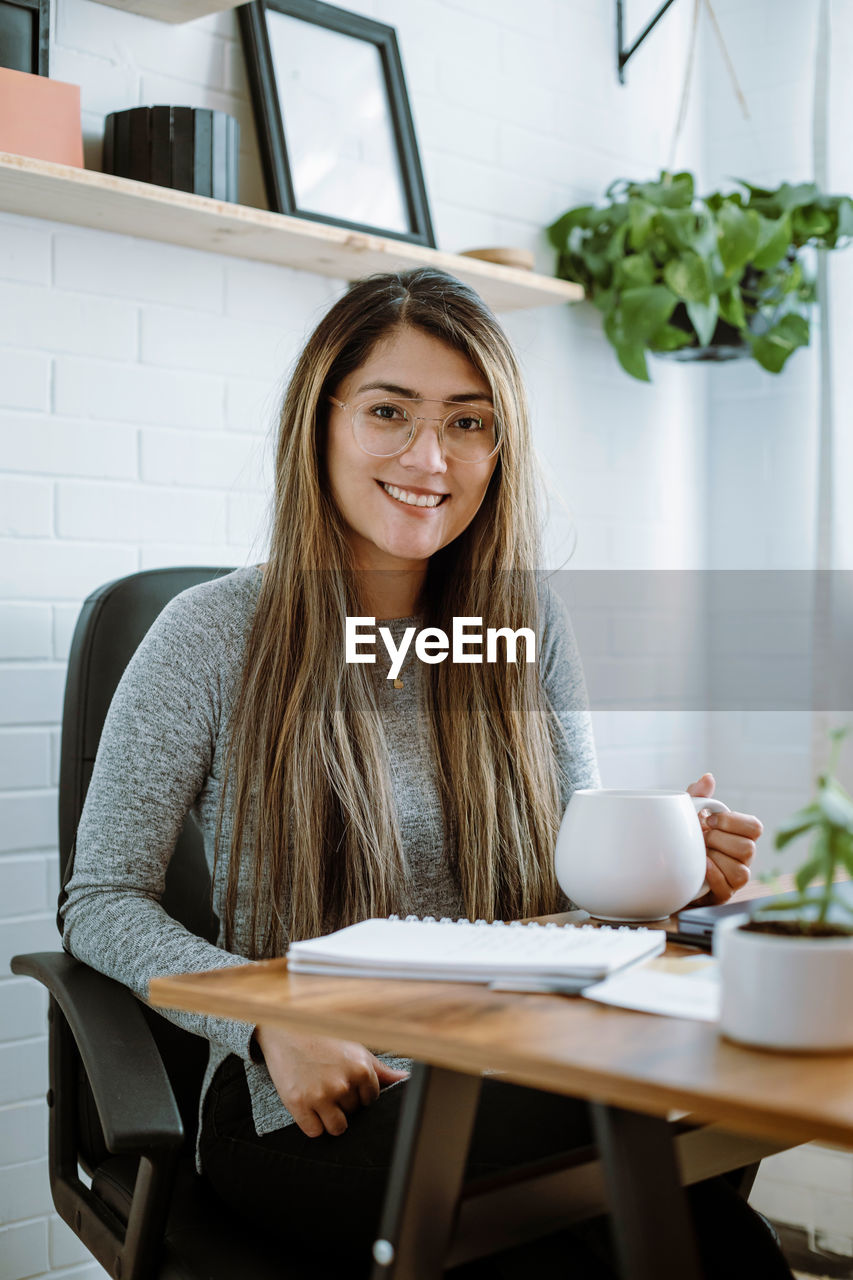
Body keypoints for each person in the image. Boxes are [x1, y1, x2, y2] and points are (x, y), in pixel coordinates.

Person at [61, 268, 789, 1279]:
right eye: (389, 412)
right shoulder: (213, 635)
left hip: (508, 1063)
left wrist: (661, 868)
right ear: (321, 421)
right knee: (647, 1184)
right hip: (310, 1109)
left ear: (500, 447)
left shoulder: (523, 626)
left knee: (687, 1210)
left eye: (467, 421)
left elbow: (564, 872)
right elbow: (100, 901)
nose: (427, 455)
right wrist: (264, 1020)